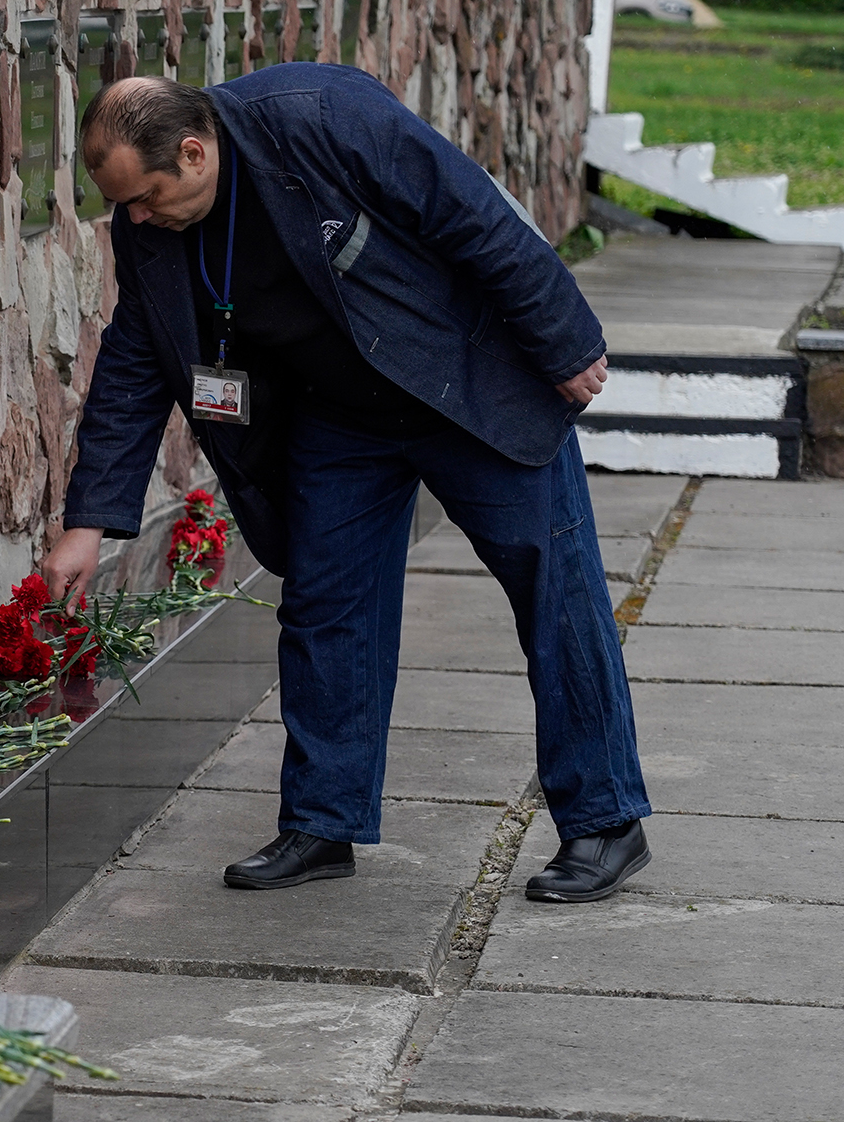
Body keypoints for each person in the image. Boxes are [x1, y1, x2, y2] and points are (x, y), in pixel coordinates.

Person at [42, 65, 651, 903]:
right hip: (340, 412)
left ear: (193, 150)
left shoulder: (322, 119)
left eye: (145, 198)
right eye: (125, 206)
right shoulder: (148, 221)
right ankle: (323, 819)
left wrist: (564, 338)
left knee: (554, 585)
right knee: (328, 603)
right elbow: (136, 357)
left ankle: (606, 821)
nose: (136, 219)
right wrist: (90, 521)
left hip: (460, 380)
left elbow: (469, 211)